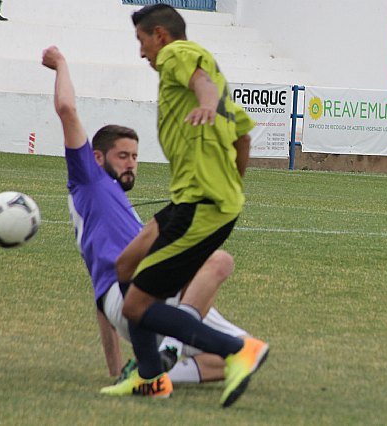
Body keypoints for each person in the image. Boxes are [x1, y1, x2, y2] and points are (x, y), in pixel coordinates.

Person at [41, 45, 249, 385]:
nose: (131, 163)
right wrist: (61, 63)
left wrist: (113, 369)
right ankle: (170, 347)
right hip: (142, 297)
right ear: (96, 158)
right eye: (122, 156)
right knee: (218, 262)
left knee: (246, 353)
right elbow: (66, 109)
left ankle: (153, 369)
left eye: (135, 157)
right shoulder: (88, 181)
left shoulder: (118, 214)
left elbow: (99, 298)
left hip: (147, 299)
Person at [102, 4, 268, 408]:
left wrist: (206, 102)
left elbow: (199, 82)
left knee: (137, 305)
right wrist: (232, 184)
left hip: (202, 205)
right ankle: (150, 377)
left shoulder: (179, 54)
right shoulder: (215, 76)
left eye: (142, 41)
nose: (142, 52)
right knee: (125, 266)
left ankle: (236, 350)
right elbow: (243, 138)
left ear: (160, 35)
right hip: (195, 199)